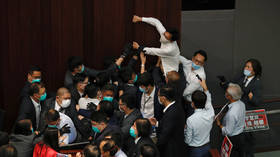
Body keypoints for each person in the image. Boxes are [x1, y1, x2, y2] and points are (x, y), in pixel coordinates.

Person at [149, 85, 187, 157]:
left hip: (171, 150)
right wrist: (157, 123)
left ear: (163, 98)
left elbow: (165, 135)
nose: (158, 98)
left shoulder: (171, 113)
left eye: (158, 96)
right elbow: (169, 124)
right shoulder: (176, 106)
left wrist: (155, 147)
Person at [184, 80, 214, 157]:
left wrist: (185, 130)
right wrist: (205, 88)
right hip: (207, 148)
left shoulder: (190, 120)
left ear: (193, 104)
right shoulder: (211, 113)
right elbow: (209, 101)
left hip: (195, 151)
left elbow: (188, 140)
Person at [216, 83, 246, 157]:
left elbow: (228, 131)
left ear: (230, 96)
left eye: (227, 93)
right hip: (240, 135)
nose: (225, 93)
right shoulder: (241, 104)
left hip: (233, 139)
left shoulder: (231, 114)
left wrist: (219, 124)